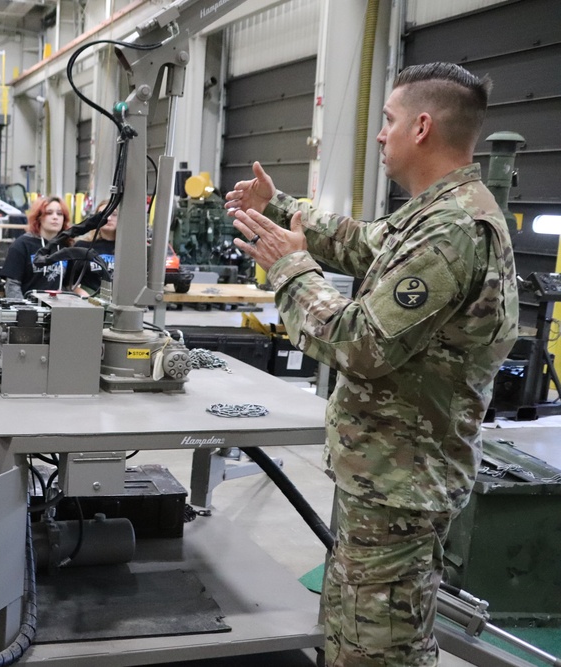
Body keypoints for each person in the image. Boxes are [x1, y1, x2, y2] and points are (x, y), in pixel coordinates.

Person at [225, 62, 518, 667]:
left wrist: (289, 268)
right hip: (386, 479)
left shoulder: (452, 230)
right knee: (356, 635)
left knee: (378, 652)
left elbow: (360, 341)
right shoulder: (434, 212)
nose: (380, 134)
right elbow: (362, 241)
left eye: (387, 121)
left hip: (401, 488)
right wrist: (277, 207)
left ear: (421, 127)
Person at [0, 196, 72, 299]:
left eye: (60, 214)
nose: (55, 217)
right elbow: (12, 285)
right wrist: (24, 310)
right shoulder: (21, 245)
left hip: (57, 310)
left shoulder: (67, 246)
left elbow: (68, 285)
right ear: (38, 217)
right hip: (29, 308)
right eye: (49, 213)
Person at [71, 200, 118, 295]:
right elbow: (70, 282)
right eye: (103, 214)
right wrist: (84, 296)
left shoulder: (128, 250)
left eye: (114, 214)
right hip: (90, 300)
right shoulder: (82, 246)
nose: (108, 218)